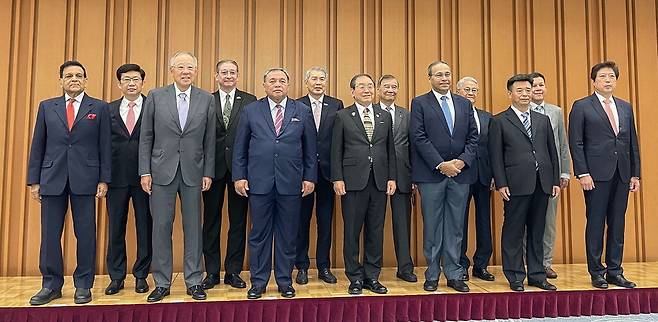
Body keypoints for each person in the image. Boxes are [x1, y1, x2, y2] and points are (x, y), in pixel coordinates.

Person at [27, 60, 112, 305]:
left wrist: (104, 179)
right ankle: (51, 284)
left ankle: (84, 284)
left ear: (85, 80)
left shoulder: (99, 107)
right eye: (69, 75)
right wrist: (34, 180)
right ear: (61, 80)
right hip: (52, 179)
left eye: (79, 75)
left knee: (85, 234)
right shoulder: (46, 107)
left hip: (86, 179)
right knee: (50, 235)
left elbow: (105, 147)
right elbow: (38, 145)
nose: (74, 79)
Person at [233, 68, 317, 299]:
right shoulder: (251, 111)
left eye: (281, 81)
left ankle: (283, 281)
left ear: (288, 85)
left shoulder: (303, 111)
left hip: (291, 183)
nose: (277, 84)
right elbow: (240, 148)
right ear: (264, 85)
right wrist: (239, 176)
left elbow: (311, 150)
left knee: (288, 234)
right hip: (259, 184)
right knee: (259, 234)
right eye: (272, 81)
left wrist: (309, 177)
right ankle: (258, 282)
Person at [138, 51, 216, 302]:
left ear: (196, 71)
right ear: (171, 70)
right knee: (161, 227)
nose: (185, 71)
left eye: (190, 67)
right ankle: (162, 282)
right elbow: (146, 136)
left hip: (194, 172)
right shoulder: (155, 96)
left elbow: (210, 140)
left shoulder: (206, 99)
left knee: (193, 227)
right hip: (161, 171)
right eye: (180, 67)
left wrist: (208, 172)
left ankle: (194, 280)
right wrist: (145, 171)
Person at [568, 61, 640, 289]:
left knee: (618, 224)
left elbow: (632, 143)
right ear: (594, 81)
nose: (608, 80)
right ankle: (596, 271)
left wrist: (635, 174)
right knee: (596, 223)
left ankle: (615, 270)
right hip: (595, 175)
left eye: (611, 76)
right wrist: (582, 173)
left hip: (622, 173)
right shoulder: (581, 106)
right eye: (603, 77)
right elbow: (576, 143)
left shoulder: (625, 107)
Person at [410, 61, 478, 293]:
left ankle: (454, 273)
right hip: (431, 175)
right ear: (429, 78)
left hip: (460, 174)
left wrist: (460, 162)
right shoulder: (420, 103)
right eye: (439, 75)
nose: (444, 78)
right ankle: (431, 274)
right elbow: (418, 137)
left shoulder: (463, 103)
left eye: (447, 74)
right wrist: (441, 164)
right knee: (432, 225)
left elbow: (473, 137)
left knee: (456, 226)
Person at [488, 74, 560, 292]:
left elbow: (551, 152)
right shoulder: (499, 120)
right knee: (514, 231)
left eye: (528, 90)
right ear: (510, 94)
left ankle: (537, 275)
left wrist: (555, 179)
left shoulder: (543, 119)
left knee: (538, 231)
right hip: (515, 184)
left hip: (542, 182)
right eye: (519, 90)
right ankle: (515, 275)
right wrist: (501, 183)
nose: (525, 94)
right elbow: (496, 156)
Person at [331, 73, 396, 295]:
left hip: (378, 180)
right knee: (352, 231)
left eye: (370, 86)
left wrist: (392, 177)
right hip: (352, 182)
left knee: (375, 231)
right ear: (352, 91)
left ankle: (372, 277)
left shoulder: (384, 116)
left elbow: (390, 150)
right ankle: (355, 277)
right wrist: (337, 178)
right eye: (361, 86)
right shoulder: (342, 116)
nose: (367, 90)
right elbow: (335, 150)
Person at [201, 59, 256, 290]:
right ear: (216, 76)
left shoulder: (250, 101)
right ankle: (212, 272)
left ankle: (233, 271)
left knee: (238, 222)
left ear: (238, 75)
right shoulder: (206, 100)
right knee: (211, 222)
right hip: (211, 171)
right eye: (224, 72)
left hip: (239, 171)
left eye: (232, 72)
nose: (228, 76)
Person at [105, 64, 152, 295]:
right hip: (115, 178)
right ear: (119, 84)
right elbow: (102, 145)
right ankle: (116, 276)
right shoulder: (108, 109)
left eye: (135, 79)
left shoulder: (153, 107)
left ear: (143, 83)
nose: (131, 83)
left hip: (146, 178)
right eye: (126, 79)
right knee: (115, 228)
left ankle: (142, 275)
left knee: (145, 227)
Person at [295, 67, 343, 285]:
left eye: (322, 79)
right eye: (314, 79)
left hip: (327, 173)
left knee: (325, 221)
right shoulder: (296, 104)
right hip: (303, 173)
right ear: (307, 82)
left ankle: (323, 266)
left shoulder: (336, 104)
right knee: (301, 222)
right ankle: (302, 266)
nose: (318, 82)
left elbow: (340, 140)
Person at [529, 72, 571, 279]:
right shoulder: (520, 111)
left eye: (541, 85)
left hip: (550, 176)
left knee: (548, 221)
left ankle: (545, 262)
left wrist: (564, 171)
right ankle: (525, 262)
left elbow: (562, 144)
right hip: (525, 177)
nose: (538, 88)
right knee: (524, 221)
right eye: (534, 85)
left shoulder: (555, 112)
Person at [376, 74, 416, 283]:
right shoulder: (369, 112)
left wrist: (415, 176)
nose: (390, 90)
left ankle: (405, 267)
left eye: (394, 87)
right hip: (374, 176)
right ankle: (372, 269)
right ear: (378, 89)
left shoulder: (406, 115)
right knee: (374, 224)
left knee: (402, 223)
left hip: (403, 174)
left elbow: (413, 147)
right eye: (386, 86)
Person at [455, 76, 495, 282]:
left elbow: (494, 149)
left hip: (484, 176)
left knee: (484, 221)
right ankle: (460, 265)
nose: (471, 93)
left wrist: (496, 175)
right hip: (461, 175)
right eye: (467, 90)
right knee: (459, 222)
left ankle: (482, 265)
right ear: (457, 91)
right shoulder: (453, 116)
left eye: (474, 90)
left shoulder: (487, 117)